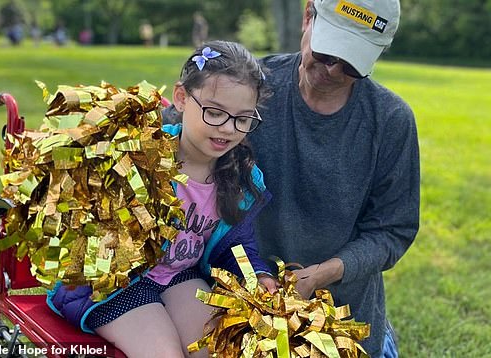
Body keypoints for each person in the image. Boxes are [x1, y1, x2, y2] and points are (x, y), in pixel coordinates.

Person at [48, 40, 276, 357]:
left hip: (178, 277)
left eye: (242, 118)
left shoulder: (240, 178)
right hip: (115, 284)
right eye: (215, 112)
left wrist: (257, 277)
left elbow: (237, 246)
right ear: (182, 98)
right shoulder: (140, 155)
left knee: (221, 350)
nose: (227, 128)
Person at [249, 1, 420, 357]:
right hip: (246, 296)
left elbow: (393, 230)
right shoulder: (251, 86)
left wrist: (323, 274)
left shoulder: (390, 120)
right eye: (328, 52)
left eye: (352, 64)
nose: (333, 69)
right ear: (307, 16)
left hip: (344, 315)